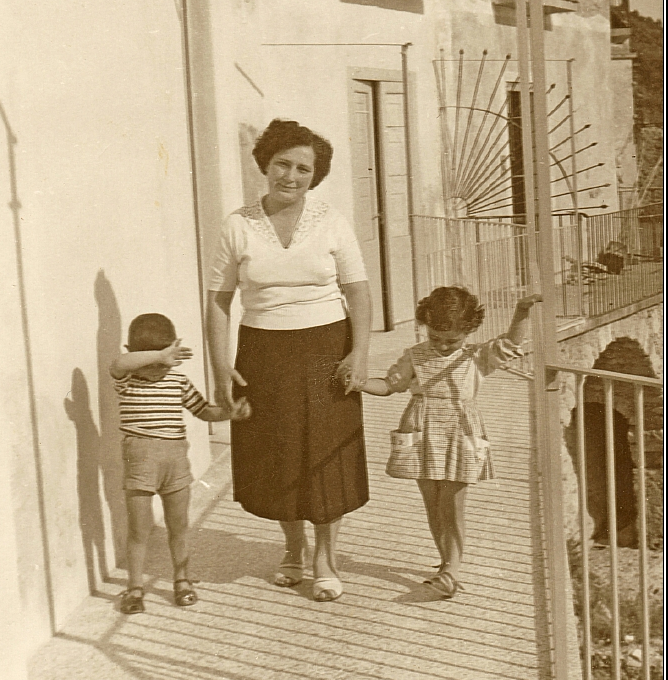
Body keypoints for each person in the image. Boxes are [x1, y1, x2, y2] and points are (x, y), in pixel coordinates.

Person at [207, 119, 371, 602]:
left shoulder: (332, 221)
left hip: (327, 349)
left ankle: (326, 559)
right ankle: (293, 548)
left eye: (303, 169)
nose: (291, 176)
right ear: (265, 164)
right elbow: (218, 300)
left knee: (325, 453)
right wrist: (220, 366)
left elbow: (358, 292)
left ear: (315, 176)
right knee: (279, 453)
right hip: (263, 352)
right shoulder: (237, 225)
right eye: (283, 164)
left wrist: (359, 352)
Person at [360, 287, 540, 599]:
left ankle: (452, 570)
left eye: (452, 340)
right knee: (433, 503)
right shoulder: (414, 355)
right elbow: (390, 385)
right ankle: (446, 564)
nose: (443, 346)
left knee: (452, 503)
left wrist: (522, 311)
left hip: (460, 431)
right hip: (421, 430)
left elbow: (510, 343)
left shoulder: (476, 356)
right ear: (426, 327)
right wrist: (359, 383)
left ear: (468, 332)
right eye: (435, 338)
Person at [111, 312, 249, 614]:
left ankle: (182, 580)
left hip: (175, 462)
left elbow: (204, 411)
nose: (157, 368)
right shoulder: (127, 381)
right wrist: (160, 355)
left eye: (164, 362)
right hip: (140, 463)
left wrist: (230, 413)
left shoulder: (177, 380)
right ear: (133, 353)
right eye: (150, 361)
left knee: (179, 526)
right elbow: (119, 364)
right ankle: (134, 588)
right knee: (138, 530)